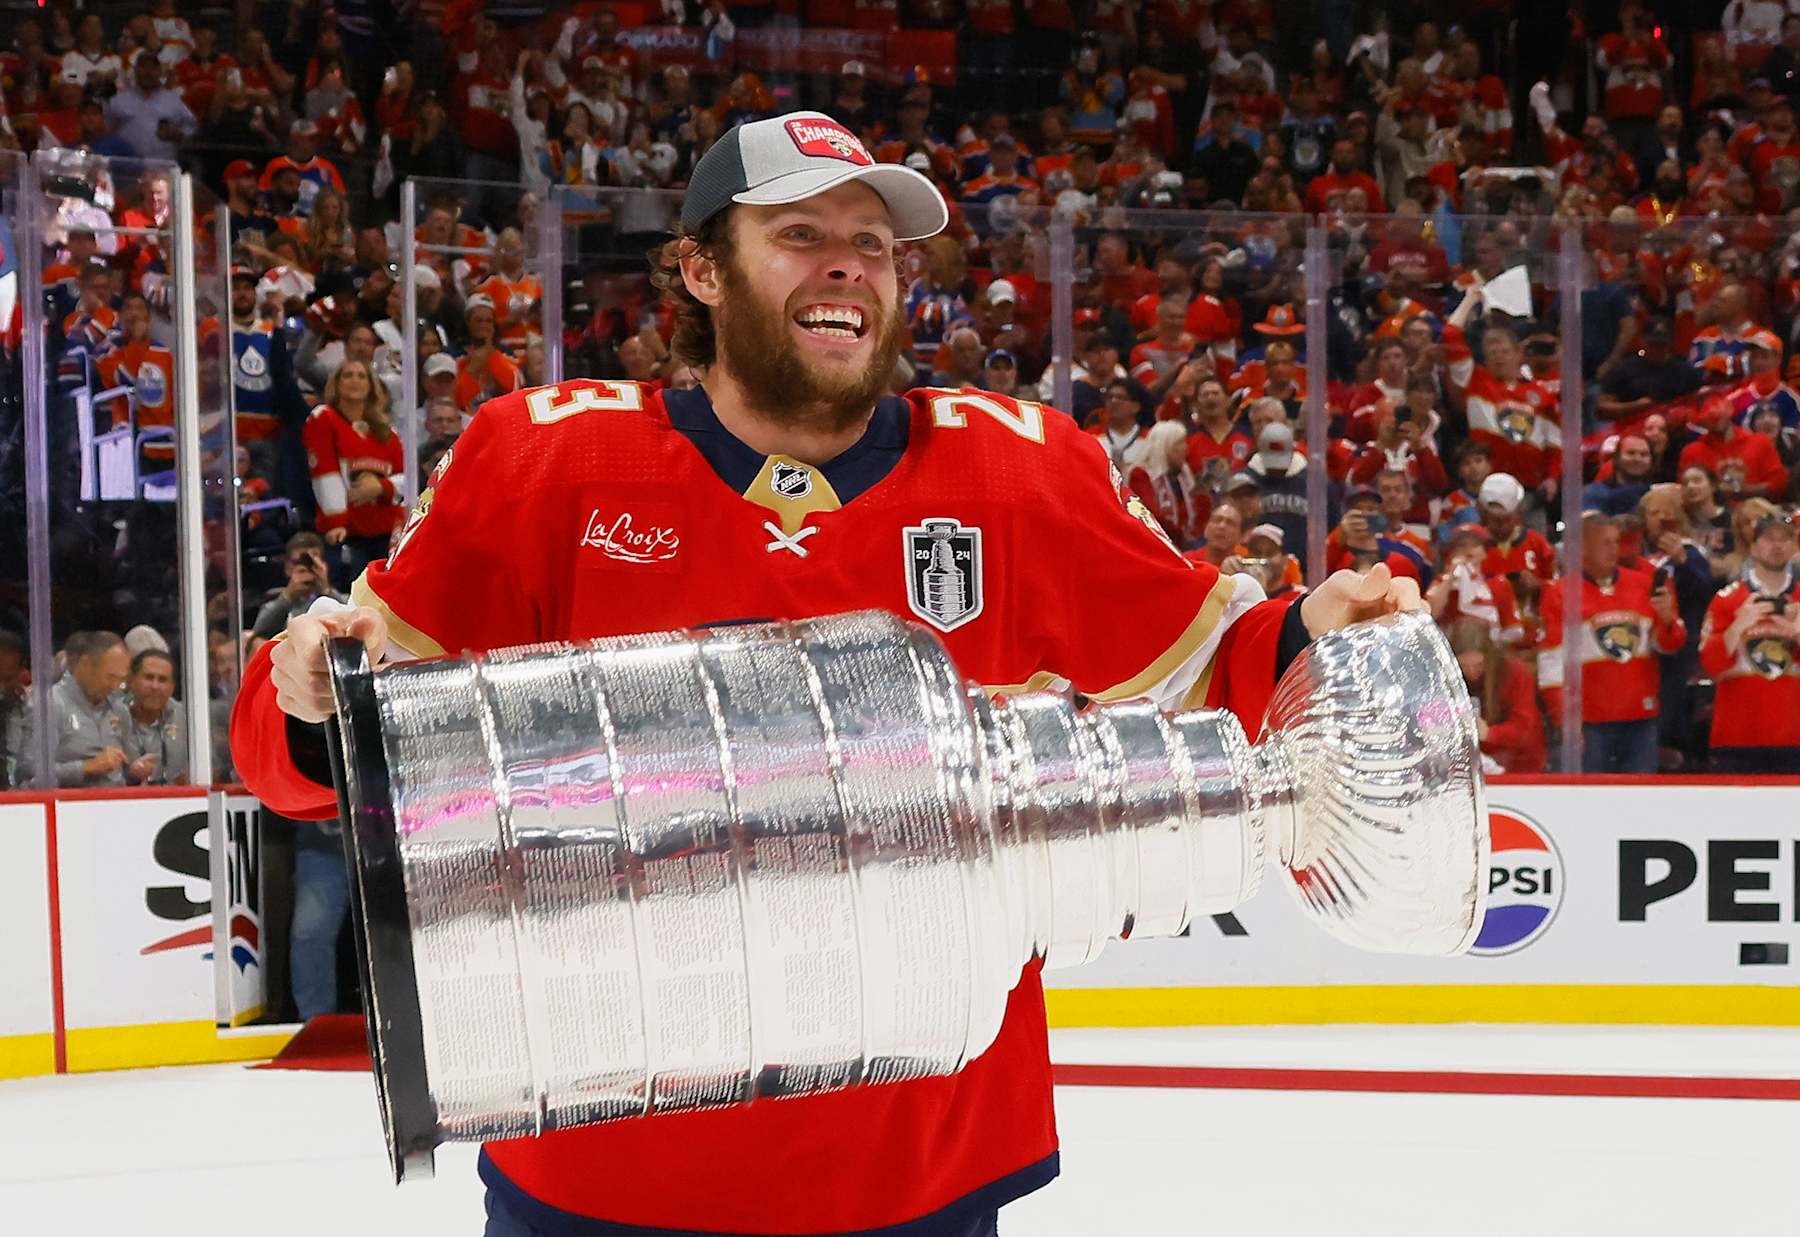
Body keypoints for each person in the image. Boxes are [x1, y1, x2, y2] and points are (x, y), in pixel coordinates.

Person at [230, 110, 1420, 1237]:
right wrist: (308, 692)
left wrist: (1318, 626)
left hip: (923, 1172)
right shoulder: (546, 462)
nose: (848, 265)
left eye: (873, 243)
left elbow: (1225, 675)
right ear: (701, 270)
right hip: (600, 1176)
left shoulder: (1019, 472)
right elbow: (309, 754)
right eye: (800, 235)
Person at [1539, 514, 1685, 774]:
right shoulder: (1560, 593)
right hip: (1589, 722)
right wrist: (1565, 719)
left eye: (1615, 542)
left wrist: (1668, 621)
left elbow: (1668, 645)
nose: (1612, 549)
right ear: (1582, 547)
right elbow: (1550, 665)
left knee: (1640, 798)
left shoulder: (1643, 585)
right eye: (1603, 542)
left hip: (1640, 716)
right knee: (1589, 801)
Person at [1699, 511, 1800, 772]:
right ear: (1753, 547)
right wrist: (1738, 625)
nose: (1777, 545)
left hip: (1794, 736)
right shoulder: (1726, 599)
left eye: (1784, 538)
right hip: (1737, 736)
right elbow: (1711, 665)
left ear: (1794, 546)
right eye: (1768, 539)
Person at [303, 359, 405, 591]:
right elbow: (324, 472)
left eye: (361, 376)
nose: (355, 381)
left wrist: (381, 488)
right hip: (348, 533)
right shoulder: (324, 418)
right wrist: (336, 521)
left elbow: (407, 477)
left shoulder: (386, 430)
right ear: (336, 384)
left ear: (371, 385)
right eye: (348, 375)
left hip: (386, 530)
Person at [1444, 618, 1545, 774]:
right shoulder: (1445, 678)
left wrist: (1489, 733)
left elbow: (1524, 727)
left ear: (1489, 657)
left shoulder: (1514, 673)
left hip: (1519, 766)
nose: (1472, 672)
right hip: (1467, 766)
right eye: (1464, 666)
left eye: (1478, 665)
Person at [48, 631, 131, 788]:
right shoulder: (51, 704)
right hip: (70, 808)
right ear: (85, 665)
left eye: (121, 679)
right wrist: (87, 767)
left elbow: (126, 772)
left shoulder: (120, 710)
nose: (115, 686)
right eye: (110, 677)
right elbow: (30, 777)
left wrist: (136, 770)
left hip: (118, 806)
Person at [253, 533, 345, 640]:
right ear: (287, 568)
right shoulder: (276, 597)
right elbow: (258, 631)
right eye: (298, 562)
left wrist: (326, 590)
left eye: (312, 563)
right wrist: (289, 595)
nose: (306, 568)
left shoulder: (338, 599)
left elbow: (351, 617)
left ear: (324, 565)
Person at [121, 649, 188, 785]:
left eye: (162, 680)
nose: (155, 686)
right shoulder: (115, 715)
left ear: (172, 687)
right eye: (148, 677)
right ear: (131, 680)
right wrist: (131, 776)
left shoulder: (187, 718)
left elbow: (212, 769)